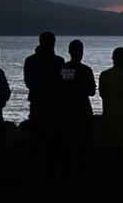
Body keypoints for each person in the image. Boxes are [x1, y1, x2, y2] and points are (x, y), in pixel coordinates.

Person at [23, 32, 65, 163]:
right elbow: (64, 82)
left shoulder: (30, 61)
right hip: (54, 106)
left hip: (37, 105)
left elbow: (28, 83)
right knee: (53, 143)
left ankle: (35, 172)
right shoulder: (59, 61)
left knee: (36, 141)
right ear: (53, 43)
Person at [58, 39, 96, 176]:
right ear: (81, 52)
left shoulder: (62, 69)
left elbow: (58, 88)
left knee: (66, 145)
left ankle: (65, 172)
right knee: (81, 146)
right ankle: (80, 172)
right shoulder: (85, 70)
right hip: (82, 112)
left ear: (69, 52)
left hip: (65, 112)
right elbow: (92, 92)